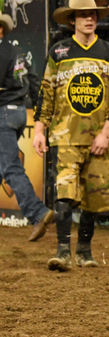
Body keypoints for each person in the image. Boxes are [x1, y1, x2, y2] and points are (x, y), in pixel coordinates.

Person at [33, 0, 109, 271]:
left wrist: (106, 133)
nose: (90, 18)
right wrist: (39, 129)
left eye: (93, 14)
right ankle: (62, 251)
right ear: (72, 19)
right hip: (65, 137)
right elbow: (46, 92)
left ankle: (84, 251)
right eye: (84, 14)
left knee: (92, 198)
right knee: (65, 192)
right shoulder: (59, 52)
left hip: (98, 138)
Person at [0, 12, 50, 240]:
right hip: (19, 112)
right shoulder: (16, 51)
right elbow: (34, 81)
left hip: (3, 113)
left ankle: (37, 212)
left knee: (10, 168)